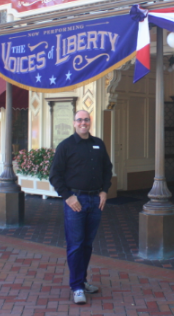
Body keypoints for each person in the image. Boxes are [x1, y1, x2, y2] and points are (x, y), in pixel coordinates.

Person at [49, 110, 113, 305]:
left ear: (89, 122)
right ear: (74, 123)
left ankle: (82, 281)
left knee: (86, 244)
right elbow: (55, 175)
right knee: (76, 244)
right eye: (79, 120)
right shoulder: (66, 146)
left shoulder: (98, 143)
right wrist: (68, 197)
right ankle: (76, 287)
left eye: (86, 120)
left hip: (95, 201)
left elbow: (107, 169)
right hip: (76, 201)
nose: (83, 123)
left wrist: (104, 191)